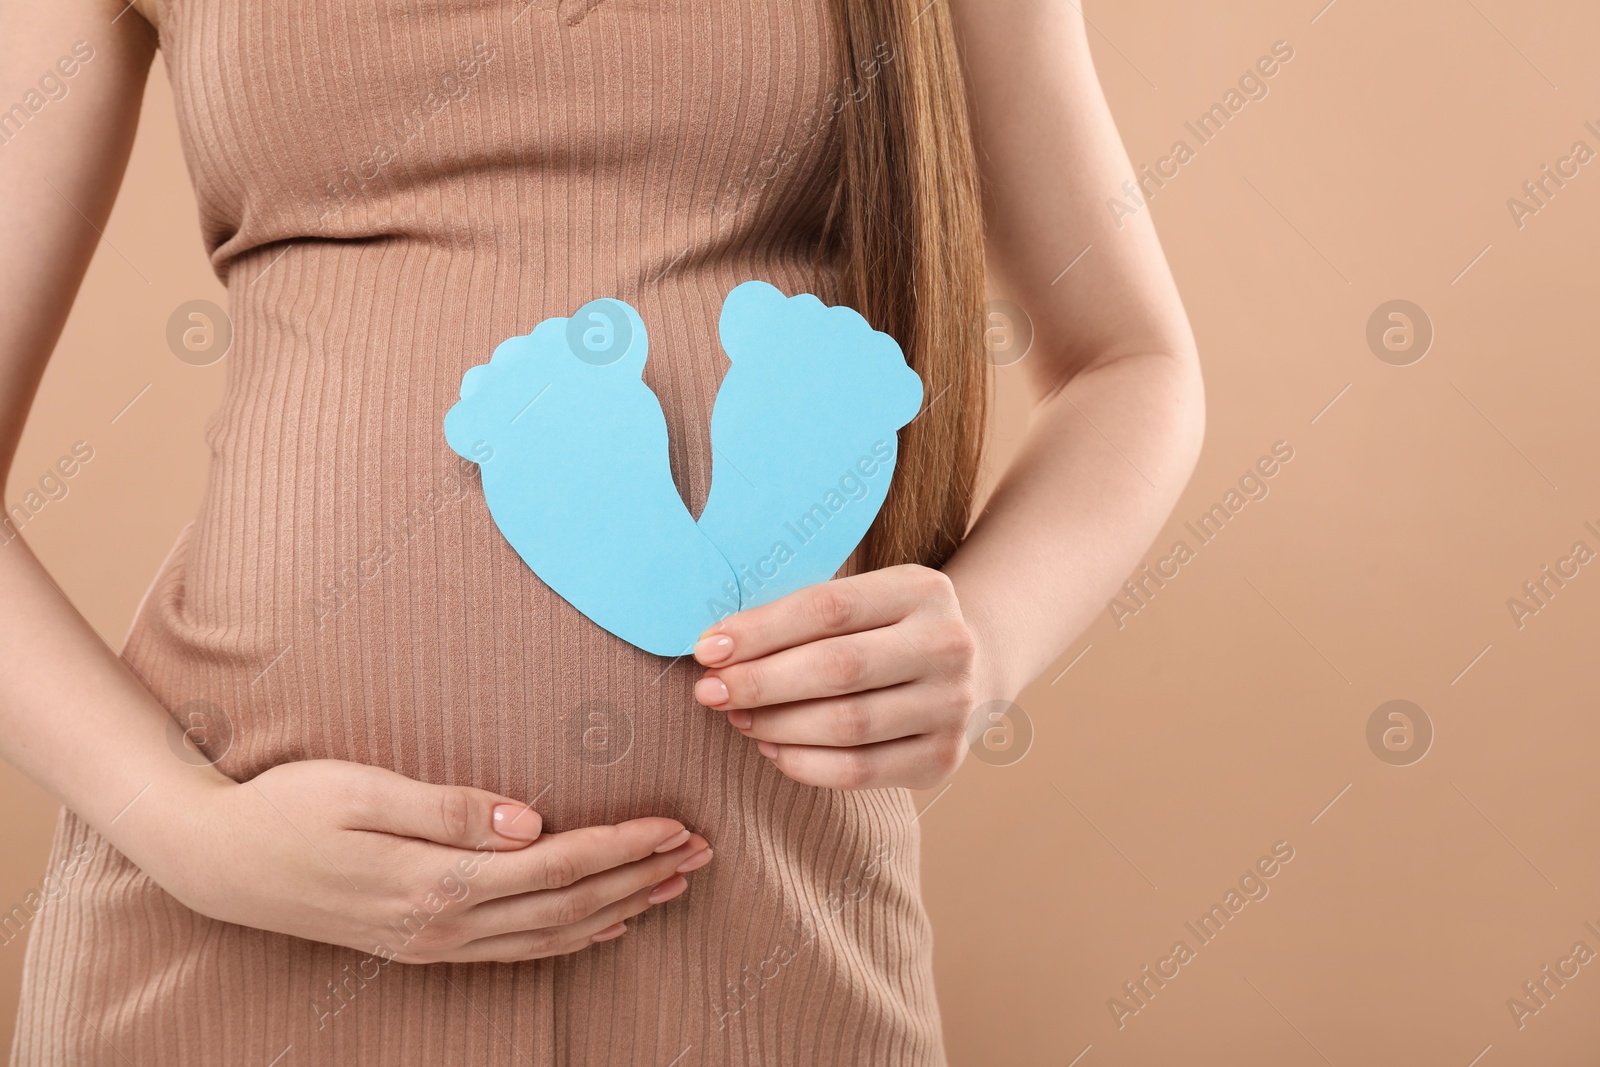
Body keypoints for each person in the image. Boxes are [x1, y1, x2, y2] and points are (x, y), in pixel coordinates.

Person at [0, 0, 1203, 1063]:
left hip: (763, 935)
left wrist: (990, 634)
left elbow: (1131, 360)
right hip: (239, 936)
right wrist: (188, 831)